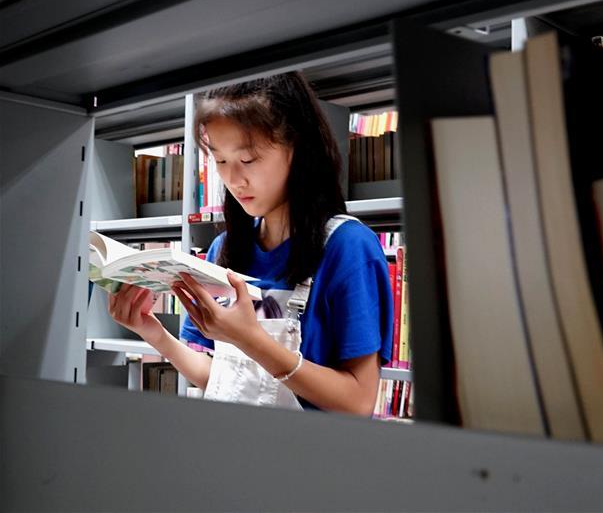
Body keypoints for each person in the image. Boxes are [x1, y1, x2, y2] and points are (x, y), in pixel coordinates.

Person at [107, 72, 393, 415]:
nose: (233, 179)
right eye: (220, 160)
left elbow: (358, 402)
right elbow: (220, 378)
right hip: (233, 452)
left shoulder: (348, 247)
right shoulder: (224, 249)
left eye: (248, 160)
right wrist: (151, 331)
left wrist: (251, 340)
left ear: (297, 148)